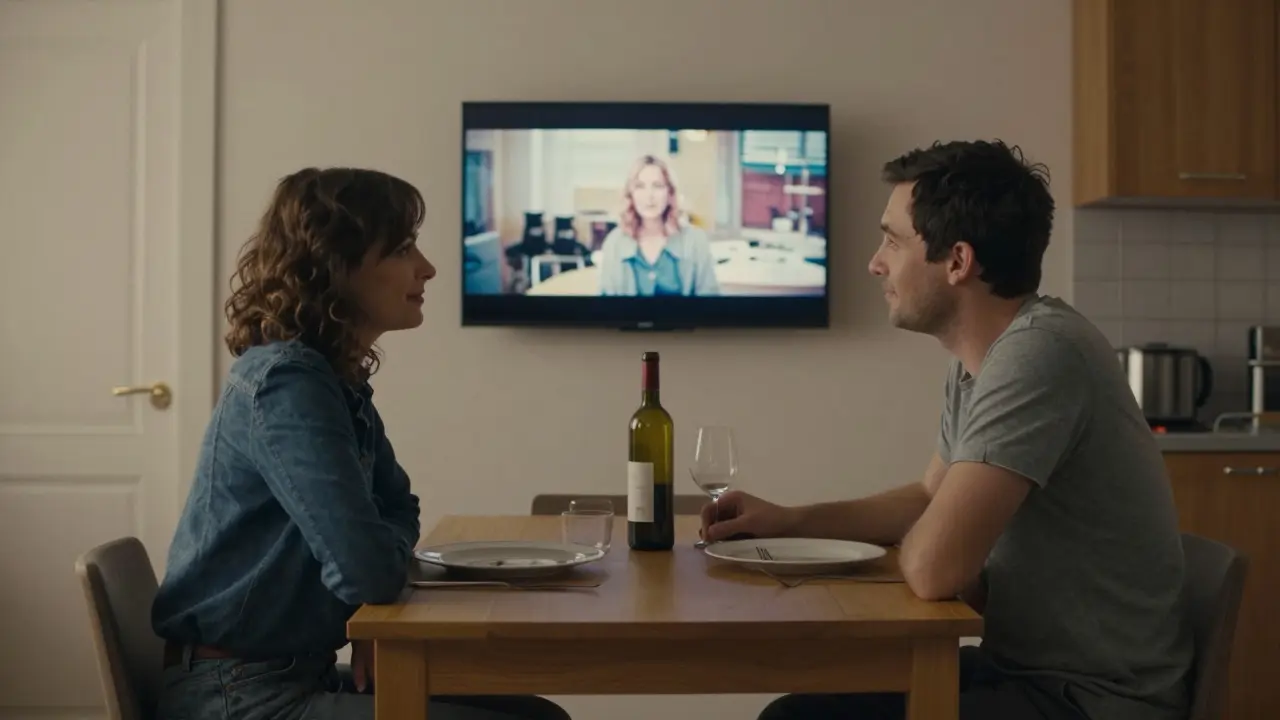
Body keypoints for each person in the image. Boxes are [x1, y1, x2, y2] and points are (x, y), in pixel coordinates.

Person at [701, 141, 1193, 720]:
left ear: (958, 261)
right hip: (1025, 670)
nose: (874, 263)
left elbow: (935, 570)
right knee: (803, 705)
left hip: (1089, 699)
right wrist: (791, 520)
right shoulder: (981, 362)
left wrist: (941, 550)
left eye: (892, 240)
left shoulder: (1039, 355)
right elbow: (932, 496)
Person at [151, 167, 571, 720]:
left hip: (292, 671)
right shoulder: (288, 384)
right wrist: (373, 587)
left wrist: (372, 598)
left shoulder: (332, 379)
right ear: (335, 266)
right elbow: (367, 566)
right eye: (401, 249)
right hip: (239, 694)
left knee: (539, 716)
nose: (428, 268)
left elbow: (399, 509)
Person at [598, 154, 721, 296]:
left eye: (658, 186)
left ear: (670, 194)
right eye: (640, 186)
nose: (649, 195)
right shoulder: (614, 243)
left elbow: (711, 305)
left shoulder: (695, 241)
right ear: (631, 195)